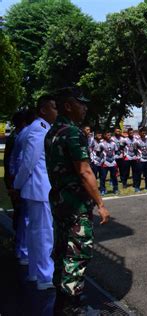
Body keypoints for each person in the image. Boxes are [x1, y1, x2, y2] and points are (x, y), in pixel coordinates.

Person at [45, 87, 110, 313]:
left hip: (60, 203)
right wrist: (101, 205)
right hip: (76, 206)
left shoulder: (53, 131)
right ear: (68, 106)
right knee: (78, 255)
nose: (85, 108)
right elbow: (84, 171)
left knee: (62, 252)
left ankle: (61, 303)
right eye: (80, 103)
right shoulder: (73, 133)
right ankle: (72, 307)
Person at [14, 95, 57, 290]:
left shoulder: (38, 128)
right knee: (43, 234)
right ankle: (45, 276)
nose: (57, 112)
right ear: (43, 111)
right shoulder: (39, 130)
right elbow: (28, 163)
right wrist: (17, 184)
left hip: (37, 190)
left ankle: (34, 272)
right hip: (40, 189)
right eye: (53, 108)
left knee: (35, 233)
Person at [5, 110, 33, 265]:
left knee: (22, 215)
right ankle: (22, 248)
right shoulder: (19, 137)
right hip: (19, 182)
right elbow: (16, 162)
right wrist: (13, 186)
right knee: (23, 216)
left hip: (17, 182)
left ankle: (20, 247)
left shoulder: (18, 136)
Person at [98, 131, 119, 195]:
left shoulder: (113, 143)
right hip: (105, 163)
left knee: (114, 177)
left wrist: (115, 157)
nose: (109, 136)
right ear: (104, 136)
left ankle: (115, 189)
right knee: (103, 177)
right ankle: (102, 189)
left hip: (112, 162)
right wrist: (101, 158)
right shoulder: (101, 144)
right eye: (107, 135)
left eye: (110, 135)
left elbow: (117, 152)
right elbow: (97, 153)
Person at [134, 127, 147, 191]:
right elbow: (135, 150)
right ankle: (137, 187)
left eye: (145, 132)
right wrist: (137, 158)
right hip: (140, 160)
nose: (144, 133)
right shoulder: (137, 142)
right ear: (139, 133)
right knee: (138, 174)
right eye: (142, 132)